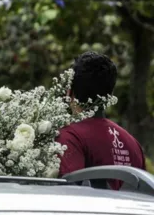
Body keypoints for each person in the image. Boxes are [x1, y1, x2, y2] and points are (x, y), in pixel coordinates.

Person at [56, 51, 146, 189]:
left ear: (70, 91)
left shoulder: (70, 137)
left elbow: (69, 195)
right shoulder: (133, 144)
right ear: (109, 94)